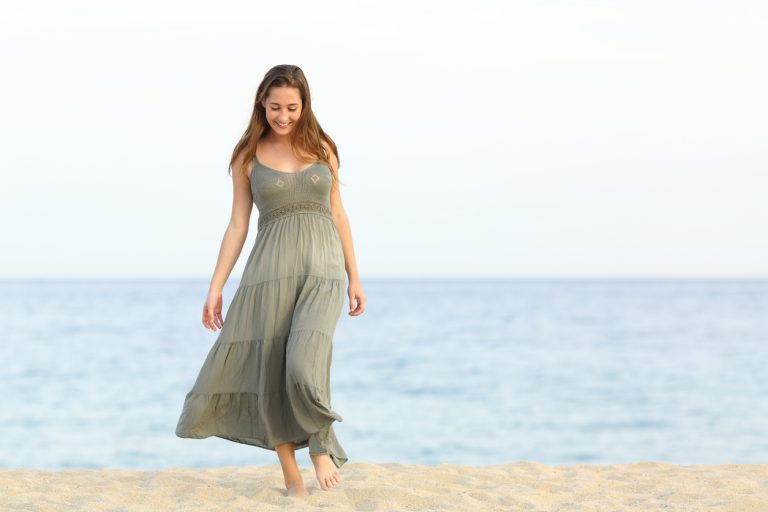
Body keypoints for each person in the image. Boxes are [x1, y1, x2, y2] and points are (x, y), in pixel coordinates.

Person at [175, 64, 366, 497]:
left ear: (305, 105)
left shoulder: (323, 147)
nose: (284, 116)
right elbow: (238, 225)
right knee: (271, 370)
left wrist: (356, 276)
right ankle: (292, 479)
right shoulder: (248, 155)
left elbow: (338, 213)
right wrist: (216, 285)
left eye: (292, 108)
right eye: (276, 106)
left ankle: (320, 442)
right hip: (268, 274)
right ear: (262, 101)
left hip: (323, 271)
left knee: (304, 360)